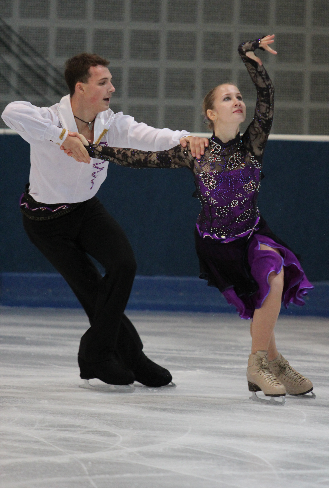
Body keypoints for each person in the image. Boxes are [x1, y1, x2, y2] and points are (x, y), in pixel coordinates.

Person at [70, 35, 315, 399]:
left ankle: (257, 364)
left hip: (253, 234)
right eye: (227, 98)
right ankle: (274, 363)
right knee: (259, 297)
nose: (237, 101)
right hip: (217, 244)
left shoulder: (253, 143)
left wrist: (247, 56)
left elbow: (267, 98)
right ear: (210, 114)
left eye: (238, 96)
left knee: (274, 274)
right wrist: (93, 149)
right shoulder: (195, 153)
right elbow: (140, 158)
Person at [1, 52, 208, 389]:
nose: (112, 87)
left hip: (86, 210)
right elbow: (11, 111)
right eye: (103, 82)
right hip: (45, 223)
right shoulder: (49, 119)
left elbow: (150, 135)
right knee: (92, 290)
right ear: (81, 88)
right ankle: (133, 358)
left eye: (110, 81)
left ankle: (97, 355)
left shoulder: (111, 124)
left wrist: (185, 137)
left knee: (123, 265)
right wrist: (62, 137)